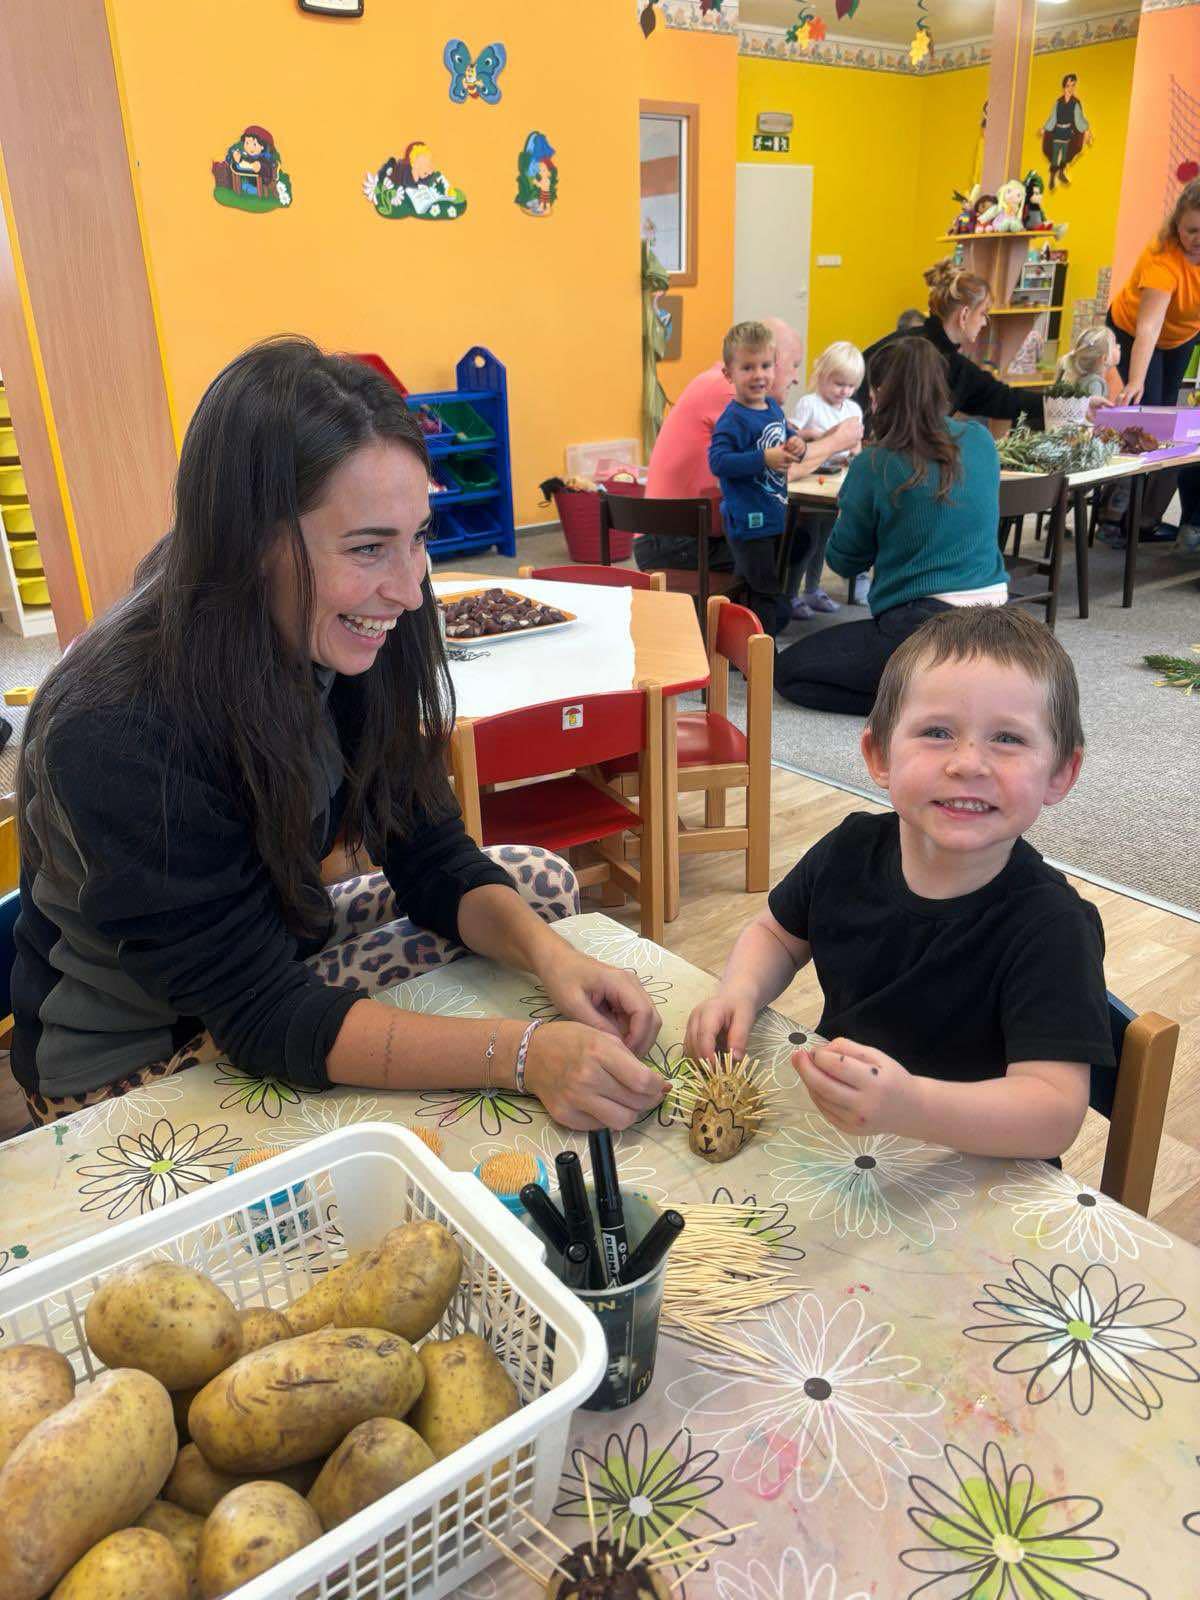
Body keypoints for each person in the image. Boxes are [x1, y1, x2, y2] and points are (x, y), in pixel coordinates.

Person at [12, 338, 667, 1130]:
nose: (409, 586)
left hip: (268, 953)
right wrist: (523, 1055)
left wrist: (557, 961)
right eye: (366, 548)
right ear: (248, 541)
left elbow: (428, 853)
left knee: (538, 884)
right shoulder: (117, 724)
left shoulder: (352, 628)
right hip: (138, 1052)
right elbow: (256, 1014)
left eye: (418, 536)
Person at [687, 605, 1113, 1161]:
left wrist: (912, 1106)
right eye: (937, 732)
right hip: (841, 1141)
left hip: (971, 1177)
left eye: (1007, 739)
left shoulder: (1054, 927)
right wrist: (738, 990)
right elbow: (777, 935)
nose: (968, 763)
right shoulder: (849, 850)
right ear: (879, 755)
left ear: (1059, 773)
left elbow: (1052, 1115)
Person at [775, 337, 1006, 715]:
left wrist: (852, 506)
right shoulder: (981, 440)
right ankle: (944, 688)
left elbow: (844, 561)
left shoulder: (876, 462)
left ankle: (920, 700)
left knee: (788, 671)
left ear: (878, 395)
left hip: (922, 624)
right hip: (997, 617)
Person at [636, 317, 861, 574]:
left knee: (790, 539)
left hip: (677, 536)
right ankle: (764, 612)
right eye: (794, 365)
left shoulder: (723, 384)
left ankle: (767, 607)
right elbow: (779, 470)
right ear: (773, 360)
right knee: (789, 543)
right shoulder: (730, 392)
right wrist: (836, 442)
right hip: (678, 544)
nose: (796, 378)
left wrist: (815, 440)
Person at [1103, 178, 1200, 545]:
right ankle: (1112, 516)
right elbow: (1148, 327)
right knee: (1142, 417)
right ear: (1177, 224)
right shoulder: (1163, 258)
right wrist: (1135, 381)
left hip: (1182, 335)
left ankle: (1143, 520)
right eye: (1191, 230)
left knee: (1167, 424)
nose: (1197, 238)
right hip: (1133, 329)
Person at [856, 260, 1046, 432]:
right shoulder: (911, 353)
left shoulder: (953, 364)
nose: (985, 322)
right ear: (964, 315)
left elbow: (1001, 398)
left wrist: (1057, 404)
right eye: (982, 313)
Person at [707, 320, 802, 636]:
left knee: (754, 582)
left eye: (765, 365)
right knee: (764, 590)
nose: (759, 375)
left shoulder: (772, 407)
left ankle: (731, 640)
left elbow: (785, 437)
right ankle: (764, 659)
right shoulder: (732, 419)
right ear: (729, 374)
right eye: (748, 367)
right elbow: (719, 462)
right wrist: (763, 458)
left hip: (774, 514)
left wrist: (796, 444)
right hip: (748, 521)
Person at [788, 341, 864, 620]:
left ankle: (814, 588)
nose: (844, 391)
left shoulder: (853, 409)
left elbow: (856, 446)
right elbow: (792, 436)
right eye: (838, 383)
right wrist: (811, 433)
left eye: (850, 386)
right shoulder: (809, 403)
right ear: (821, 374)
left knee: (824, 540)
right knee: (806, 538)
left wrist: (853, 451)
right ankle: (792, 593)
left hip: (835, 484)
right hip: (809, 479)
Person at [1042, 73, 1092, 192]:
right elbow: (1052, 118)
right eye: (1068, 85)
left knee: (1064, 156)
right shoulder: (1058, 102)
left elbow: (1079, 119)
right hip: (1057, 132)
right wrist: (1046, 128)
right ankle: (1052, 177)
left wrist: (1086, 130)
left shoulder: (1075, 103)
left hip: (1067, 133)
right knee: (1055, 157)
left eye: (1073, 85)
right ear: (1064, 86)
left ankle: (1061, 173)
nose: (1070, 88)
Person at [1055, 325, 1120, 399]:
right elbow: (1093, 409)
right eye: (1114, 344)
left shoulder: (1083, 379)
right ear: (1104, 358)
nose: (1119, 346)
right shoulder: (1095, 383)